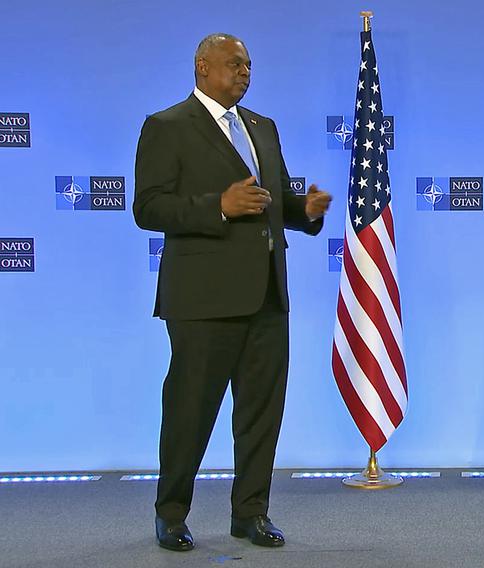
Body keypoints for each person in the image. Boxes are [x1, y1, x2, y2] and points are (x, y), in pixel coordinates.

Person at [133, 32, 331, 552]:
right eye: (236, 64)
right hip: (201, 300)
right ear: (203, 67)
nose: (246, 72)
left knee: (262, 413)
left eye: (249, 66)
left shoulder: (263, 128)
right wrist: (217, 205)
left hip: (267, 295)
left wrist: (305, 211)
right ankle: (171, 514)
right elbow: (148, 207)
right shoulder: (166, 126)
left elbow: (275, 199)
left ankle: (251, 514)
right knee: (189, 411)